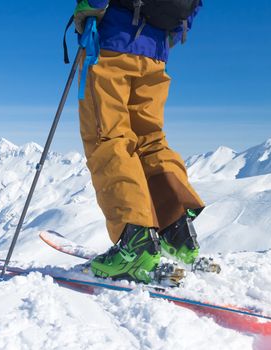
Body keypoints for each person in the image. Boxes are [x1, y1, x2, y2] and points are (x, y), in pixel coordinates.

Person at [74, 0, 208, 283]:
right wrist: (171, 31)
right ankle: (176, 231)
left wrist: (90, 8)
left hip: (111, 40)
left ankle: (135, 248)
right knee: (151, 140)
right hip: (157, 48)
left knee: (109, 137)